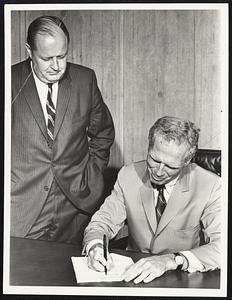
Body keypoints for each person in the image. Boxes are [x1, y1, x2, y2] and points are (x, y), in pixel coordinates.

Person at [11, 15, 115, 244]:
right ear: (29, 51)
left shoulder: (84, 79)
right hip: (21, 208)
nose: (56, 66)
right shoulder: (9, 81)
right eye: (47, 58)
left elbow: (103, 133)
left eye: (62, 56)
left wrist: (92, 176)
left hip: (76, 206)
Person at [83, 116, 221, 283]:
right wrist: (95, 246)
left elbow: (223, 247)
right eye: (154, 159)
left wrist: (172, 260)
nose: (159, 171)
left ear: (187, 162)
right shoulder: (129, 175)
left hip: (183, 278)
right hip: (134, 275)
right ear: (148, 148)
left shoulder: (210, 185)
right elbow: (102, 222)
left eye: (171, 166)